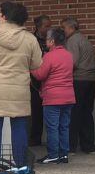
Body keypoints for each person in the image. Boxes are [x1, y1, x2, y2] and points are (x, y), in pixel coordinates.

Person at [0, 2, 42, 166]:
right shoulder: (30, 39)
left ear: (5, 16)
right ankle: (21, 166)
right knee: (19, 128)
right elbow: (36, 64)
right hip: (19, 89)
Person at [31, 27, 74, 164]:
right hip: (68, 96)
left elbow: (40, 74)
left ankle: (53, 154)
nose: (45, 41)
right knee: (64, 126)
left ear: (52, 41)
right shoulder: (69, 55)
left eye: (47, 39)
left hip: (53, 98)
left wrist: (31, 68)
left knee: (52, 127)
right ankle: (64, 154)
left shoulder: (49, 56)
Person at [61, 17, 95, 153]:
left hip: (79, 80)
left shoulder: (72, 41)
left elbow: (72, 62)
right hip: (91, 79)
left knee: (74, 113)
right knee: (87, 113)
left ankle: (71, 146)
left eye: (63, 28)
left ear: (71, 28)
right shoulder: (84, 39)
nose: (63, 31)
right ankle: (88, 146)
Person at [29, 14, 52, 146]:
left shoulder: (52, 39)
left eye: (50, 26)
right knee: (36, 111)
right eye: (46, 26)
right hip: (35, 81)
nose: (49, 28)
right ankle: (35, 138)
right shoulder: (32, 40)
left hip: (50, 80)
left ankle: (51, 140)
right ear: (38, 27)